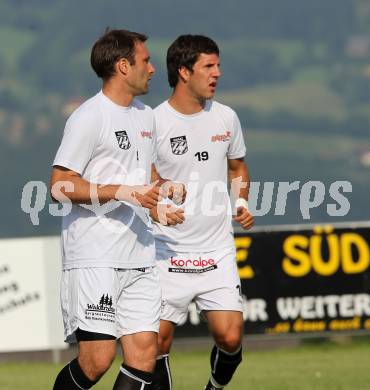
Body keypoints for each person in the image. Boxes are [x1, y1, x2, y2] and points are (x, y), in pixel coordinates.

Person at [50, 29, 184, 390]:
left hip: (139, 253)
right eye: (145, 61)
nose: (153, 69)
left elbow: (144, 174)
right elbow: (59, 186)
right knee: (97, 360)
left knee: (144, 354)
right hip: (95, 255)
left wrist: (161, 195)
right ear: (123, 66)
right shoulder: (89, 117)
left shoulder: (145, 117)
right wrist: (124, 192)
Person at [149, 35, 254, 390]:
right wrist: (159, 200)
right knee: (154, 345)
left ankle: (214, 387)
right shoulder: (154, 122)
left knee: (230, 337)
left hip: (215, 250)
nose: (217, 73)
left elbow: (237, 168)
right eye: (208, 66)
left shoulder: (227, 117)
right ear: (183, 71)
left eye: (218, 65)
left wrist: (239, 202)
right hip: (165, 251)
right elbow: (141, 175)